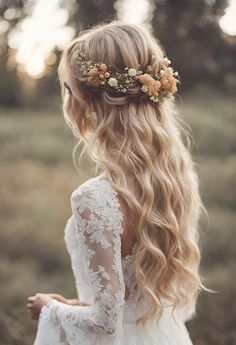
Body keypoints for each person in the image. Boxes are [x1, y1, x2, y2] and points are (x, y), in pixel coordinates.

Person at [27, 21, 209, 345]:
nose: (68, 103)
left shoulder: (94, 198)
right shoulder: (179, 177)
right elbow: (131, 300)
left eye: (70, 90)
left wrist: (50, 308)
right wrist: (76, 306)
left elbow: (106, 323)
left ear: (92, 101)